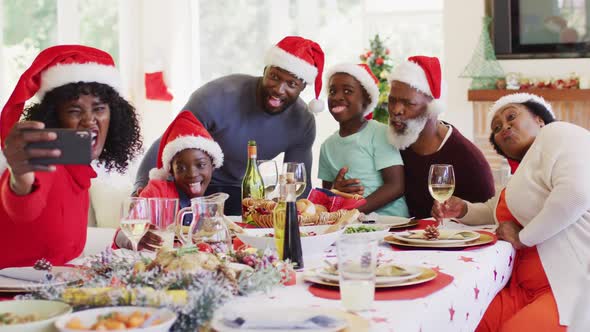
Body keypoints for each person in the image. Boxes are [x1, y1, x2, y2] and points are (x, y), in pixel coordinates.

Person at [431, 93, 590, 331]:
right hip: (521, 289)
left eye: (512, 116)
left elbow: (575, 195)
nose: (504, 126)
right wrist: (462, 208)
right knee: (459, 321)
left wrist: (522, 237)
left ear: (540, 120)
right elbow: (492, 210)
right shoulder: (520, 180)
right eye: (496, 127)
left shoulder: (557, 133)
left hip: (568, 286)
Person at [135, 36, 325, 215]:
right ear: (265, 70)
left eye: (291, 84)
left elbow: (298, 185)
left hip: (237, 190)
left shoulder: (303, 123)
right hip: (186, 185)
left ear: (303, 87)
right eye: (274, 77)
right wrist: (140, 190)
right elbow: (169, 142)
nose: (279, 89)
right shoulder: (216, 96)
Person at [0, 45, 142, 268]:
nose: (88, 120)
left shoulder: (77, 170)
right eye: (74, 111)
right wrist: (20, 179)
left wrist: (120, 238)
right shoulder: (45, 160)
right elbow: (24, 208)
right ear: (54, 118)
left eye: (99, 109)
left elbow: (63, 243)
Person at [114, 110, 223, 250]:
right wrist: (134, 238)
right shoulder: (156, 192)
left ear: (212, 165)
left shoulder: (207, 205)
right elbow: (121, 234)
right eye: (181, 168)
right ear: (171, 170)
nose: (192, 174)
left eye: (200, 165)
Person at [318, 63, 409, 217]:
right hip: (351, 227)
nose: (337, 97)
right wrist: (336, 190)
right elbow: (327, 196)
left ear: (366, 99)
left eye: (348, 91)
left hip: (390, 223)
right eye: (332, 91)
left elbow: (396, 186)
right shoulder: (327, 146)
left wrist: (354, 211)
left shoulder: (379, 133)